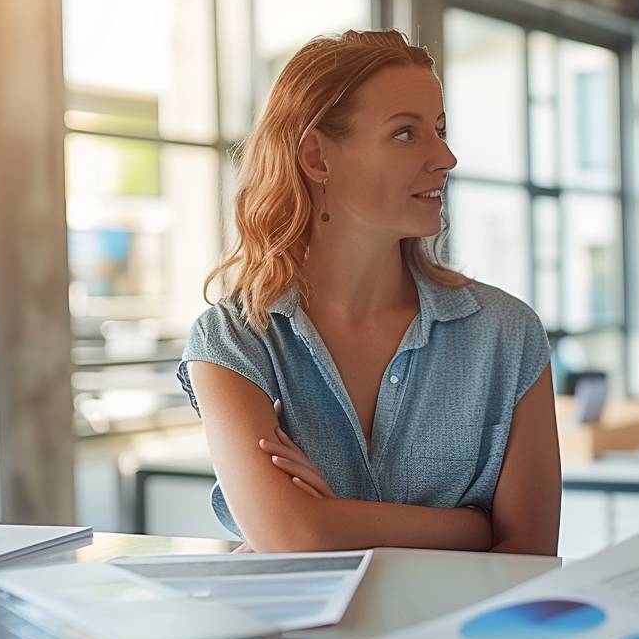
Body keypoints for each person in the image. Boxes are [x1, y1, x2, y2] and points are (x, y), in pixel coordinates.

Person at [179, 30, 560, 555]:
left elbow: (530, 556)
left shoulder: (507, 333)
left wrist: (330, 519)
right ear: (317, 157)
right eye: (406, 134)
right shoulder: (234, 341)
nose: (445, 157)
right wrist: (471, 527)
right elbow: (294, 533)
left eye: (440, 130)